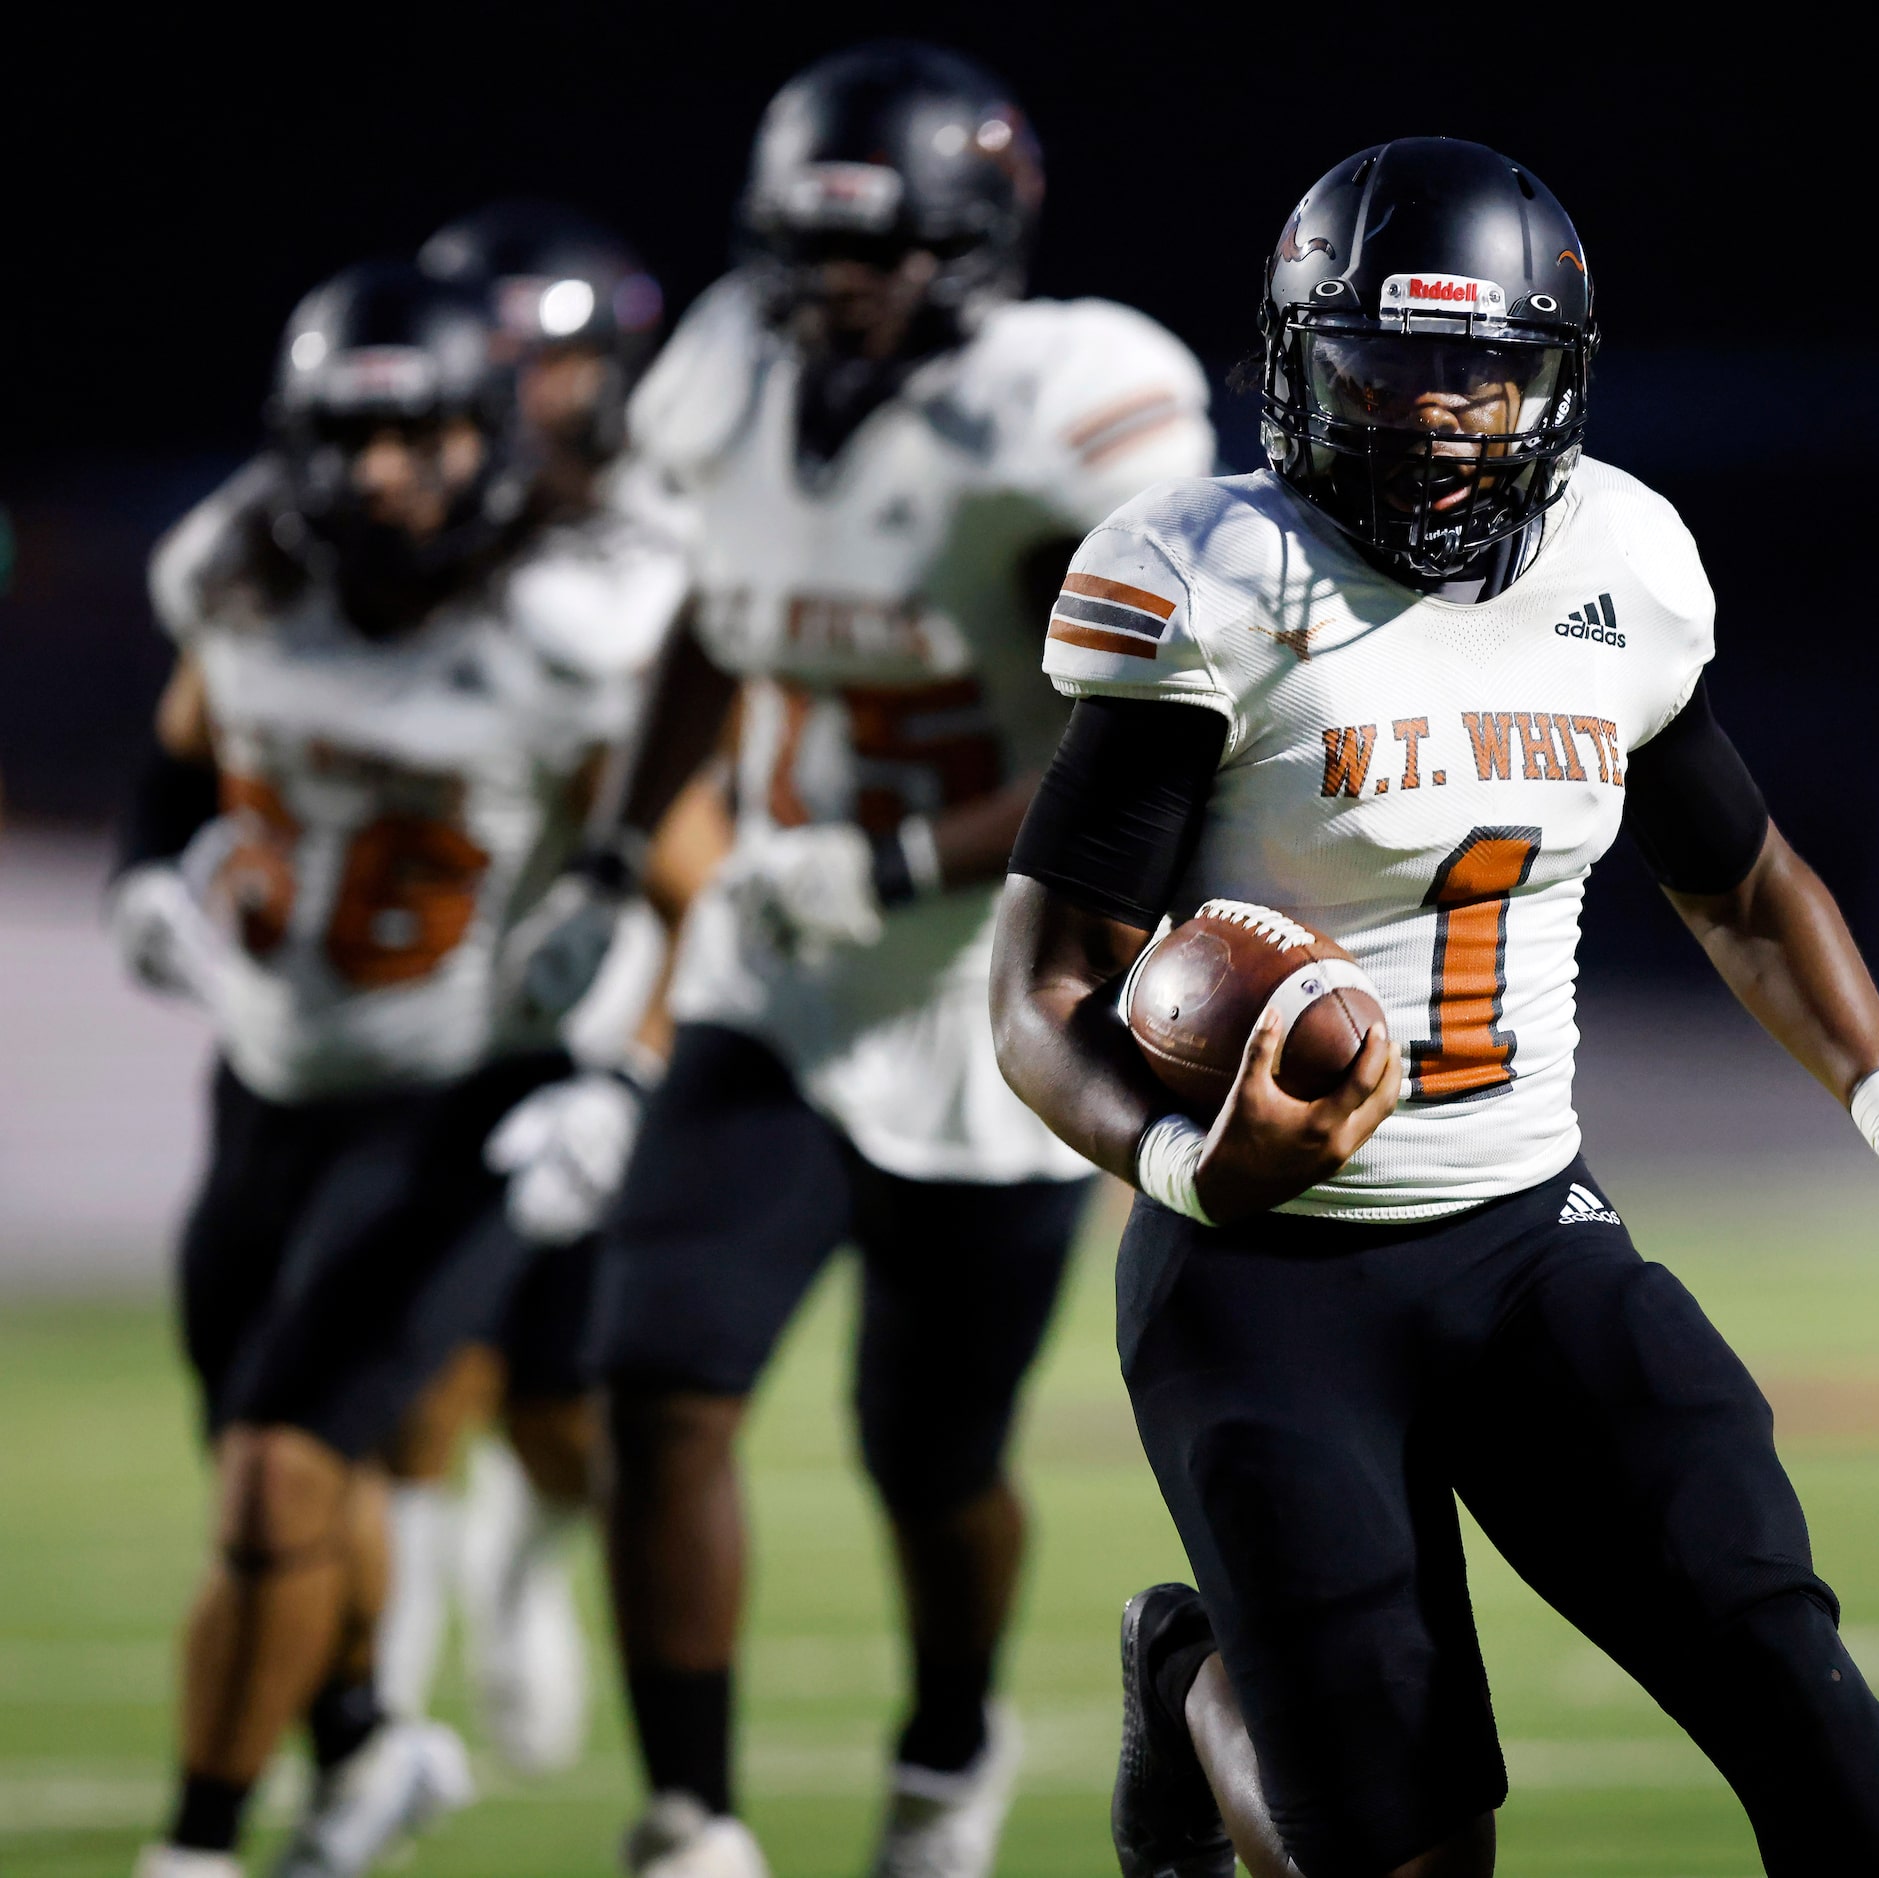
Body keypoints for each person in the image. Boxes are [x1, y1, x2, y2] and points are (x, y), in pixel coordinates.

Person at [989, 137, 1879, 1878]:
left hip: (1528, 1236)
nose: (1431, 418)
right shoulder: (1206, 578)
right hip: (1259, 1277)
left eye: (1477, 375)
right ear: (1292, 367)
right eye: (1383, 369)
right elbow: (1042, 990)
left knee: (1781, 1670)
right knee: (1406, 1851)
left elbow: (1742, 880)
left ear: (1547, 381)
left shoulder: (1619, 561)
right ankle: (1200, 1696)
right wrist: (1191, 1159)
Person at [534, 40, 1214, 1878]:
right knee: (657, 1379)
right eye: (805, 249)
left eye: (878, 251)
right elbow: (710, 610)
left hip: (989, 989)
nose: (829, 289)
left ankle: (945, 1748)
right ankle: (690, 1819)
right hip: (779, 969)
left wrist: (905, 853)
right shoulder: (729, 379)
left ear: (976, 243)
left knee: (928, 1455)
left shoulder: (1064, 398)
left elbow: (1147, 733)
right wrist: (618, 849)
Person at [109, 259, 688, 1878]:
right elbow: (176, 759)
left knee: (276, 1471)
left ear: (486, 436)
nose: (376, 475)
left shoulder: (569, 617)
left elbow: (683, 868)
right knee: (283, 1455)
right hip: (270, 1076)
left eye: (414, 437)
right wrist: (147, 873)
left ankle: (200, 1843)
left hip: (462, 1099)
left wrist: (620, 1079)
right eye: (347, 437)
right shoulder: (238, 573)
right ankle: (366, 1737)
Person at [346, 200, 675, 1778]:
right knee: (409, 1376)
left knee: (565, 1413)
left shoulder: (666, 532)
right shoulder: (387, 526)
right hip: (428, 1007)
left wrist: (641, 1052)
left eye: (532, 367)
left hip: (598, 1001)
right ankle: (379, 1720)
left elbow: (698, 814)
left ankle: (519, 1555)